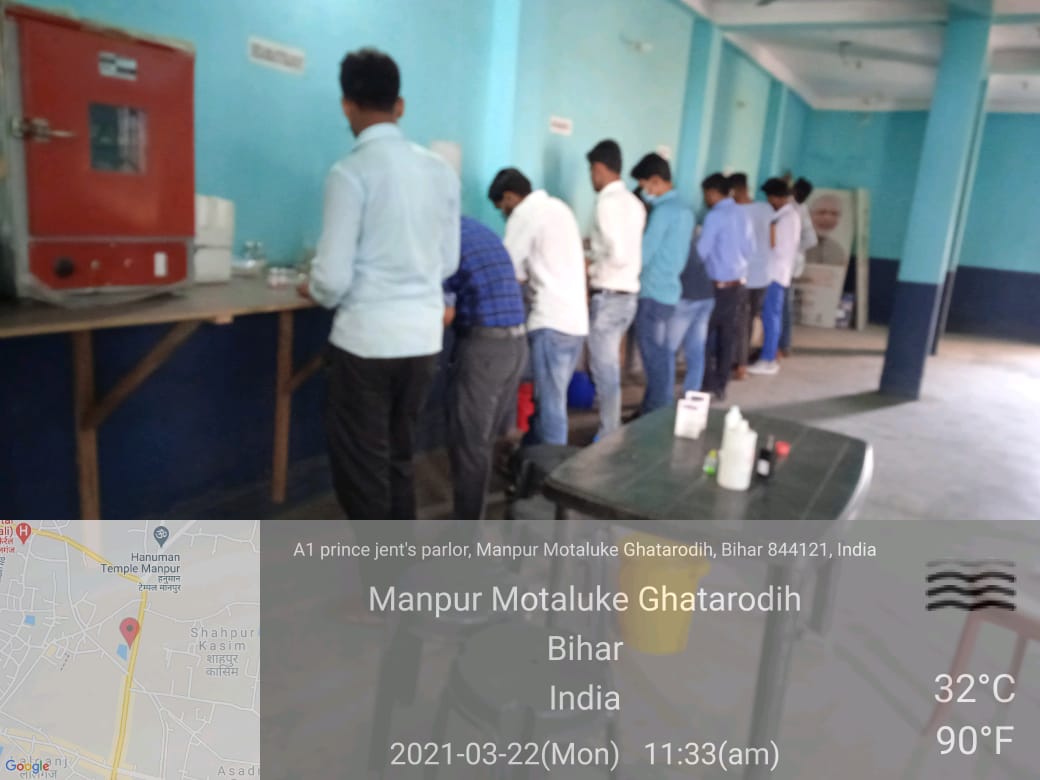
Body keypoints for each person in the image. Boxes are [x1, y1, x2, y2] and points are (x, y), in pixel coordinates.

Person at [302, 48, 459, 593]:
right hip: (422, 341)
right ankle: (399, 578)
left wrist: (312, 287)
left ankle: (382, 590)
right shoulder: (439, 171)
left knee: (363, 468)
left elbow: (331, 280)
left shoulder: (349, 173)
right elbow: (448, 263)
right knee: (398, 457)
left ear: (346, 104)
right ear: (400, 105)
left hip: (366, 344)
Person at [488, 168, 588, 445]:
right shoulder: (559, 208)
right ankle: (531, 455)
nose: (504, 214)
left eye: (502, 207)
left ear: (510, 197)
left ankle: (553, 467)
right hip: (575, 323)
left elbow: (510, 270)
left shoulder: (524, 215)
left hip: (550, 322)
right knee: (547, 398)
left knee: (550, 406)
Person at [443, 216, 528, 521]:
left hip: (485, 350)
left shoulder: (441, 240)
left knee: (470, 446)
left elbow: (444, 315)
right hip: (517, 346)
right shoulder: (476, 228)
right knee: (482, 442)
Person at [584, 140, 646, 438]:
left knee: (604, 369)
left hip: (609, 295)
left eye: (591, 171)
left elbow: (617, 254)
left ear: (599, 168)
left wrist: (589, 265)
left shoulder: (606, 203)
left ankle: (608, 432)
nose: (591, 177)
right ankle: (609, 423)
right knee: (609, 366)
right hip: (628, 295)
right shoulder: (635, 203)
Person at [630, 153, 694, 414]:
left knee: (655, 360)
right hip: (670, 292)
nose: (645, 192)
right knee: (663, 356)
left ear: (656, 181)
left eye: (645, 186)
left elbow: (643, 254)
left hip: (652, 293)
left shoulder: (663, 212)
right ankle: (652, 408)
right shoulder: (685, 209)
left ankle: (656, 413)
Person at [697, 173, 754, 401]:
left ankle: (707, 382)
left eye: (705, 195)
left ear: (712, 193)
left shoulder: (715, 216)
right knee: (727, 336)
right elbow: (750, 250)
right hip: (738, 284)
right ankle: (721, 384)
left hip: (717, 286)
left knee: (703, 334)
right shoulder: (743, 213)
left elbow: (702, 252)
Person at [748, 178, 801, 376]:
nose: (769, 202)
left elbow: (776, 247)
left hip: (775, 274)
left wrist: (764, 239)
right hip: (777, 272)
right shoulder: (786, 215)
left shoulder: (786, 219)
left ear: (778, 198)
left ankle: (768, 359)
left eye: (770, 197)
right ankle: (769, 355)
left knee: (771, 318)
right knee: (772, 317)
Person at [730, 172, 772, 378]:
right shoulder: (765, 209)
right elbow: (773, 238)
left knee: (740, 321)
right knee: (750, 319)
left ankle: (740, 364)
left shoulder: (735, 212)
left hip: (744, 274)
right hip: (763, 274)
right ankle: (742, 360)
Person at [667, 236, 715, 395]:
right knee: (696, 349)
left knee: (668, 350)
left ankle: (664, 394)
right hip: (706, 296)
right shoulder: (692, 239)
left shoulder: (672, 241)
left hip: (686, 297)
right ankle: (692, 392)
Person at [781, 177, 818, 356]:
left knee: (783, 305)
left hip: (788, 264)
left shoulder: (794, 209)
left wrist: (792, 248)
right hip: (790, 264)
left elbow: (811, 240)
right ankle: (783, 343)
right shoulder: (799, 208)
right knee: (784, 305)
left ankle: (783, 343)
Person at [805, 193, 847, 267]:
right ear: (809, 215)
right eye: (821, 212)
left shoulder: (837, 251)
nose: (828, 218)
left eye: (834, 214)